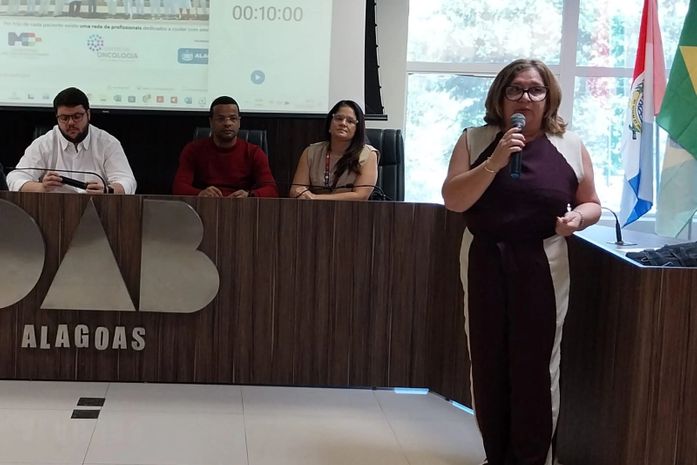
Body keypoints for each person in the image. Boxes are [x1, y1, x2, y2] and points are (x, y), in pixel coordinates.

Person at [441, 58, 601, 465]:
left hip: (542, 260)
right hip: (484, 258)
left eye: (535, 90)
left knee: (536, 365)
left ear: (549, 99)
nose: (524, 98)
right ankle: (496, 455)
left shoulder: (570, 145)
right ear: (500, 97)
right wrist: (494, 161)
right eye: (515, 89)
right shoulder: (475, 140)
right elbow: (454, 200)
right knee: (488, 360)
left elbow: (591, 203)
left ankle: (531, 459)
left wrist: (578, 219)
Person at [7, 87, 137, 195]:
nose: (70, 123)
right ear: (57, 118)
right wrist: (41, 187)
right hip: (54, 210)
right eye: (64, 118)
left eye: (77, 116)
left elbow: (127, 181)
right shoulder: (43, 144)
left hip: (97, 210)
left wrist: (108, 190)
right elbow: (14, 178)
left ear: (88, 114)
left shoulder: (107, 143)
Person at [172, 96, 278, 198]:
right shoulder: (193, 150)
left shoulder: (254, 152)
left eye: (233, 118)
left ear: (239, 122)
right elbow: (179, 187)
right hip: (205, 205)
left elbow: (272, 190)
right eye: (221, 119)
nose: (227, 123)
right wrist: (200, 194)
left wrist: (249, 195)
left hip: (242, 206)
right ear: (211, 122)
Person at [289, 100, 378, 200]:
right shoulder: (311, 152)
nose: (343, 123)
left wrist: (315, 198)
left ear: (358, 129)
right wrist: (302, 194)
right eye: (339, 119)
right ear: (329, 124)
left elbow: (361, 196)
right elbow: (296, 190)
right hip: (313, 209)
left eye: (350, 121)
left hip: (352, 209)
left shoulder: (368, 155)